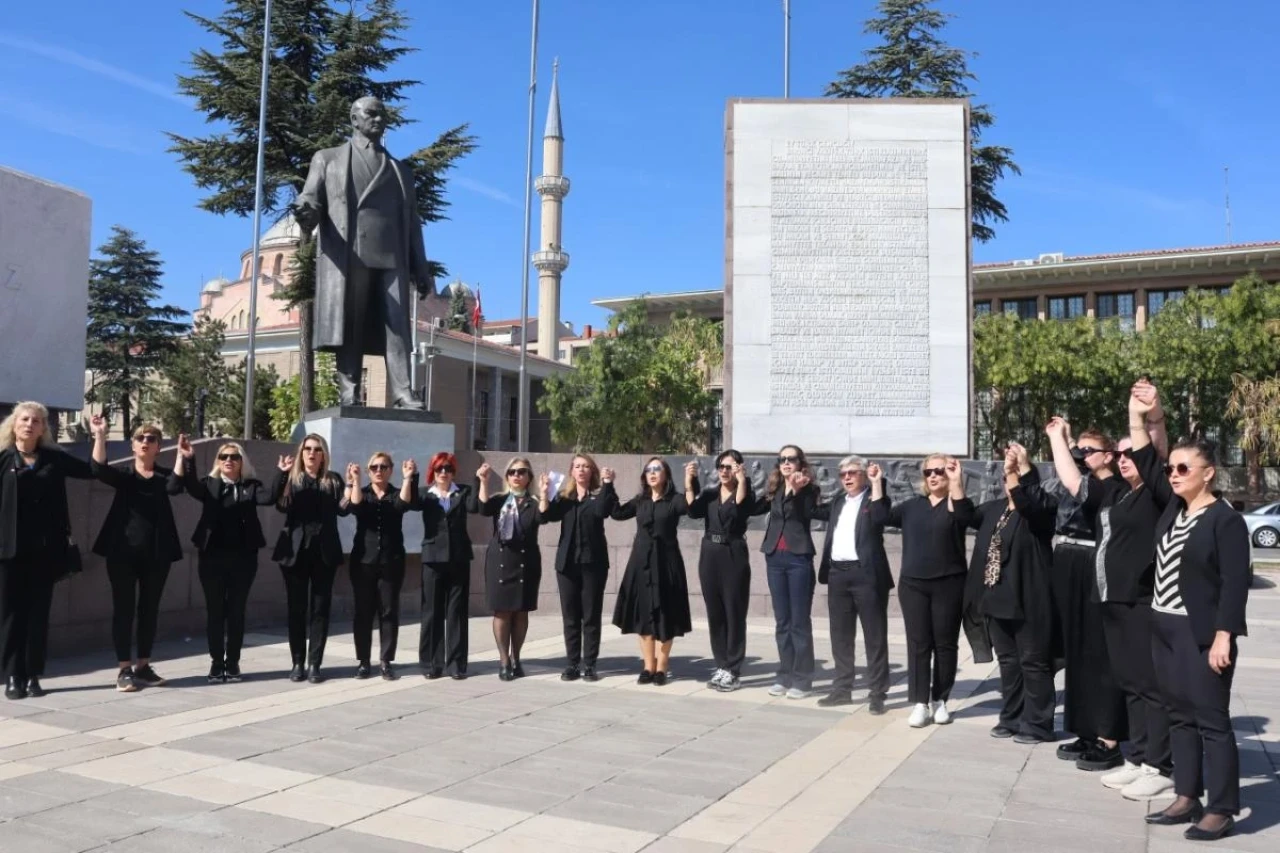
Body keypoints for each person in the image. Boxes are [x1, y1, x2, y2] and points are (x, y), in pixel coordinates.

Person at [1131, 381, 1250, 841]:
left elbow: (1235, 583)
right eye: (1173, 467)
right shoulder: (1173, 511)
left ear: (1208, 474)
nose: (1174, 473)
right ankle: (1186, 794)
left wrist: (1224, 636)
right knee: (1178, 714)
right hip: (1162, 627)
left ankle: (1221, 807)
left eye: (1184, 467)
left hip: (1198, 633)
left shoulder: (1225, 520)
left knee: (1212, 720)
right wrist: (1140, 414)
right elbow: (1145, 458)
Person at [1046, 416, 1173, 798]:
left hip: (1139, 600)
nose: (1123, 458)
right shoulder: (1117, 493)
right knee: (1131, 685)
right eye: (1118, 454)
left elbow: (1156, 454)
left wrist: (1148, 417)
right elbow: (1073, 481)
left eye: (1130, 453)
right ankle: (1137, 758)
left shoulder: (1155, 494)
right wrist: (1057, 438)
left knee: (1149, 688)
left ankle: (1160, 765)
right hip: (1108, 600)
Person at [293, 95, 434, 409]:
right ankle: (349, 391)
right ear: (354, 119)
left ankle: (402, 392)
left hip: (391, 258)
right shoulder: (327, 159)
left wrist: (420, 268)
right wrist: (305, 211)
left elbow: (412, 223)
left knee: (397, 328)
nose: (378, 120)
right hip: (348, 254)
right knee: (350, 324)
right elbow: (311, 197)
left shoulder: (401, 171)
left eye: (382, 114)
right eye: (371, 114)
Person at [1048, 425, 1129, 770]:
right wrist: (1068, 442)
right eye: (1076, 450)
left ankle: (1109, 738)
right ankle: (1085, 729)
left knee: (1101, 657)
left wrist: (1057, 439)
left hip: (1101, 573)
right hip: (1074, 567)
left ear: (1109, 456)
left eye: (1088, 451)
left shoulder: (1114, 488)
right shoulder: (1095, 483)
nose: (1081, 455)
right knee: (1078, 652)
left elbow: (1072, 480)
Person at [0, 403, 95, 700]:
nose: (29, 424)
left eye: (36, 421)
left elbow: (92, 471)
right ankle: (13, 675)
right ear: (14, 424)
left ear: (44, 428)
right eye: (24, 419)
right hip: (7, 551)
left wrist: (101, 437)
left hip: (45, 551)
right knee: (11, 615)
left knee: (38, 615)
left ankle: (33, 676)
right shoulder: (3, 459)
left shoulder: (54, 458)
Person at [964, 443, 1058, 743]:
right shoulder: (996, 510)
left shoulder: (1040, 511)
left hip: (1028, 599)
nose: (1011, 483)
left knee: (1033, 662)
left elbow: (1031, 503)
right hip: (997, 598)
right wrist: (955, 483)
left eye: (1016, 478)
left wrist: (1021, 469)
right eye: (1007, 479)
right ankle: (1012, 717)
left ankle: (1038, 724)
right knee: (1008, 661)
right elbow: (965, 516)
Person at [173, 436, 285, 683]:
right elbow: (190, 486)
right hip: (211, 557)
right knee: (215, 611)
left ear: (241, 462)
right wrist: (188, 458)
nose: (229, 461)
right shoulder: (210, 484)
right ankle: (216, 663)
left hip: (243, 559)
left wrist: (281, 473)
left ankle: (232, 663)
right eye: (224, 457)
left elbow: (268, 498)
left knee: (236, 611)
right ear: (218, 461)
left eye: (234, 457)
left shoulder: (251, 486)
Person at [89, 418, 184, 693]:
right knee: (124, 609)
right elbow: (98, 469)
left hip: (157, 554)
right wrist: (100, 436)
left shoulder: (164, 476)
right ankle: (124, 669)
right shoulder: (126, 476)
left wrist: (181, 455)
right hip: (122, 553)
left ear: (158, 447)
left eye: (151, 439)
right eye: (140, 439)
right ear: (133, 446)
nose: (145, 442)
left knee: (149, 610)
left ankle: (143, 666)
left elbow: (175, 486)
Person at [883, 455, 972, 727]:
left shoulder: (957, 505)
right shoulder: (912, 507)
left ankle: (940, 700)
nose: (933, 476)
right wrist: (876, 484)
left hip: (950, 584)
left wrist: (957, 482)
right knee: (919, 644)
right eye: (928, 472)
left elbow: (967, 517)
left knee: (945, 645)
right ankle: (920, 702)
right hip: (914, 585)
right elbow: (880, 516)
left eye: (940, 471)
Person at [814, 457, 893, 713]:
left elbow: (881, 518)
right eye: (843, 474)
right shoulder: (838, 501)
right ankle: (842, 689)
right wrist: (800, 488)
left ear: (863, 475)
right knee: (841, 636)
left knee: (875, 636)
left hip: (866, 575)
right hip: (838, 574)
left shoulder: (874, 499)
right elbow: (813, 511)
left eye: (852, 473)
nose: (847, 478)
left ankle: (877, 693)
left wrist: (877, 483)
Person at [751, 445, 824, 700]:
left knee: (799, 622)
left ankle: (803, 679)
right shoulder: (774, 489)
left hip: (798, 559)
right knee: (782, 621)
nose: (786, 462)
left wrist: (796, 490)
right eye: (781, 459)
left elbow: (802, 514)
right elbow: (756, 508)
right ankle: (784, 674)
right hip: (775, 558)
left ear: (800, 462)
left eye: (791, 459)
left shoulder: (809, 489)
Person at [611, 457, 692, 685]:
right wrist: (608, 485)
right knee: (644, 615)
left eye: (658, 469)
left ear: (665, 474)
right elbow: (617, 513)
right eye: (649, 469)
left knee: (665, 614)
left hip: (666, 564)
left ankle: (662, 666)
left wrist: (689, 481)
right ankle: (648, 666)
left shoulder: (673, 500)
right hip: (641, 563)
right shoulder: (640, 501)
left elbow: (688, 506)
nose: (653, 473)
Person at [272, 434, 346, 684]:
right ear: (301, 453)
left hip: (324, 553)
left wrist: (354, 485)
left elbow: (344, 510)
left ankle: (315, 664)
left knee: (320, 610)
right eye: (307, 449)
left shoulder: (333, 480)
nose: (312, 453)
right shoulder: (292, 479)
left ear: (323, 454)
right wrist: (282, 475)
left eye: (317, 449)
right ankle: (297, 663)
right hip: (295, 553)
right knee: (296, 609)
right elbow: (280, 505)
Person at [537, 454, 617, 682]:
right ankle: (572, 663)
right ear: (571, 471)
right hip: (567, 565)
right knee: (571, 616)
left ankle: (590, 664)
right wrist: (544, 492)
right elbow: (545, 516)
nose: (581, 470)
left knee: (591, 616)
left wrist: (608, 484)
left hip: (594, 564)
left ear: (592, 471)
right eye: (577, 466)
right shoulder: (565, 499)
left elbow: (603, 511)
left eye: (586, 467)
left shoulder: (599, 496)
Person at [687, 450, 753, 693]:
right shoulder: (711, 494)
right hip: (710, 553)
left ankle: (734, 670)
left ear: (738, 468)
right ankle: (722, 665)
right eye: (721, 467)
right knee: (715, 612)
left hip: (732, 552)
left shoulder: (745, 492)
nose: (724, 471)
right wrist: (690, 482)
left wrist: (743, 480)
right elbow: (693, 511)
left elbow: (741, 507)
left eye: (729, 467)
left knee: (734, 612)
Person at [345, 452, 415, 681]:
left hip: (391, 561)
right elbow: (355, 507)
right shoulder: (362, 493)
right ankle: (363, 661)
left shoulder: (396, 493)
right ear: (368, 471)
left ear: (390, 470)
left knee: (388, 611)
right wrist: (354, 481)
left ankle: (386, 661)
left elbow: (404, 504)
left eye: (383, 466)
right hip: (363, 561)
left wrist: (407, 478)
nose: (378, 470)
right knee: (363, 613)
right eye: (374, 467)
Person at [476, 458, 542, 680]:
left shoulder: (534, 502)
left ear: (528, 476)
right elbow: (483, 508)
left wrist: (545, 493)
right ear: (507, 477)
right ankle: (504, 660)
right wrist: (483, 481)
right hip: (500, 562)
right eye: (512, 472)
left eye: (522, 472)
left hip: (526, 561)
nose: (516, 475)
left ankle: (517, 657)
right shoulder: (500, 500)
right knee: (502, 611)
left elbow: (543, 517)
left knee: (521, 611)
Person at [417, 452, 472, 680]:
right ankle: (431, 663)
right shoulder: (424, 495)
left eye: (448, 468)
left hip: (458, 558)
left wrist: (484, 481)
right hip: (432, 558)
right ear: (433, 471)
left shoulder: (463, 491)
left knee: (456, 612)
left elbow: (477, 506)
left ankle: (456, 664)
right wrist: (410, 477)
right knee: (432, 612)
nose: (443, 473)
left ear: (453, 471)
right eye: (439, 468)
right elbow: (407, 502)